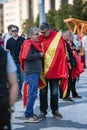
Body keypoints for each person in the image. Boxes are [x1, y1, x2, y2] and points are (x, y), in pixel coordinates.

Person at [37, 22, 68, 120]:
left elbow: (61, 53)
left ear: (49, 29)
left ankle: (55, 110)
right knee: (42, 92)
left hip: (54, 70)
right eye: (41, 32)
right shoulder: (40, 38)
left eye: (44, 32)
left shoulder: (57, 38)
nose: (42, 34)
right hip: (42, 71)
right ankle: (43, 111)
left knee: (54, 92)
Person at [19, 27, 43, 123]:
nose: (38, 35)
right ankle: (28, 115)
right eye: (36, 34)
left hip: (34, 72)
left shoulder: (33, 44)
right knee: (32, 94)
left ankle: (30, 112)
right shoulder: (28, 44)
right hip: (31, 73)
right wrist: (39, 55)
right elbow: (26, 57)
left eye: (38, 33)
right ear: (30, 36)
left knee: (32, 94)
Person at [0, 44, 18, 130]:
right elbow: (13, 84)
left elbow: (13, 84)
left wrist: (10, 106)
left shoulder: (4, 55)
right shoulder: (4, 54)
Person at [63, 31, 83, 101]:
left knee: (73, 80)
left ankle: (73, 93)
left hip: (73, 64)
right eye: (70, 35)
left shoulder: (71, 43)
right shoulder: (65, 43)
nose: (71, 37)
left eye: (71, 35)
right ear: (65, 36)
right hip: (69, 65)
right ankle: (66, 95)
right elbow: (67, 54)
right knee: (69, 80)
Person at [6, 25, 25, 99]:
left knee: (22, 79)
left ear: (18, 31)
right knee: (15, 79)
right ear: (11, 32)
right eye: (13, 31)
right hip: (13, 62)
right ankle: (17, 94)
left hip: (21, 62)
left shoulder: (22, 39)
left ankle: (20, 92)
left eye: (15, 31)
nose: (14, 32)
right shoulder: (9, 41)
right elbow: (7, 52)